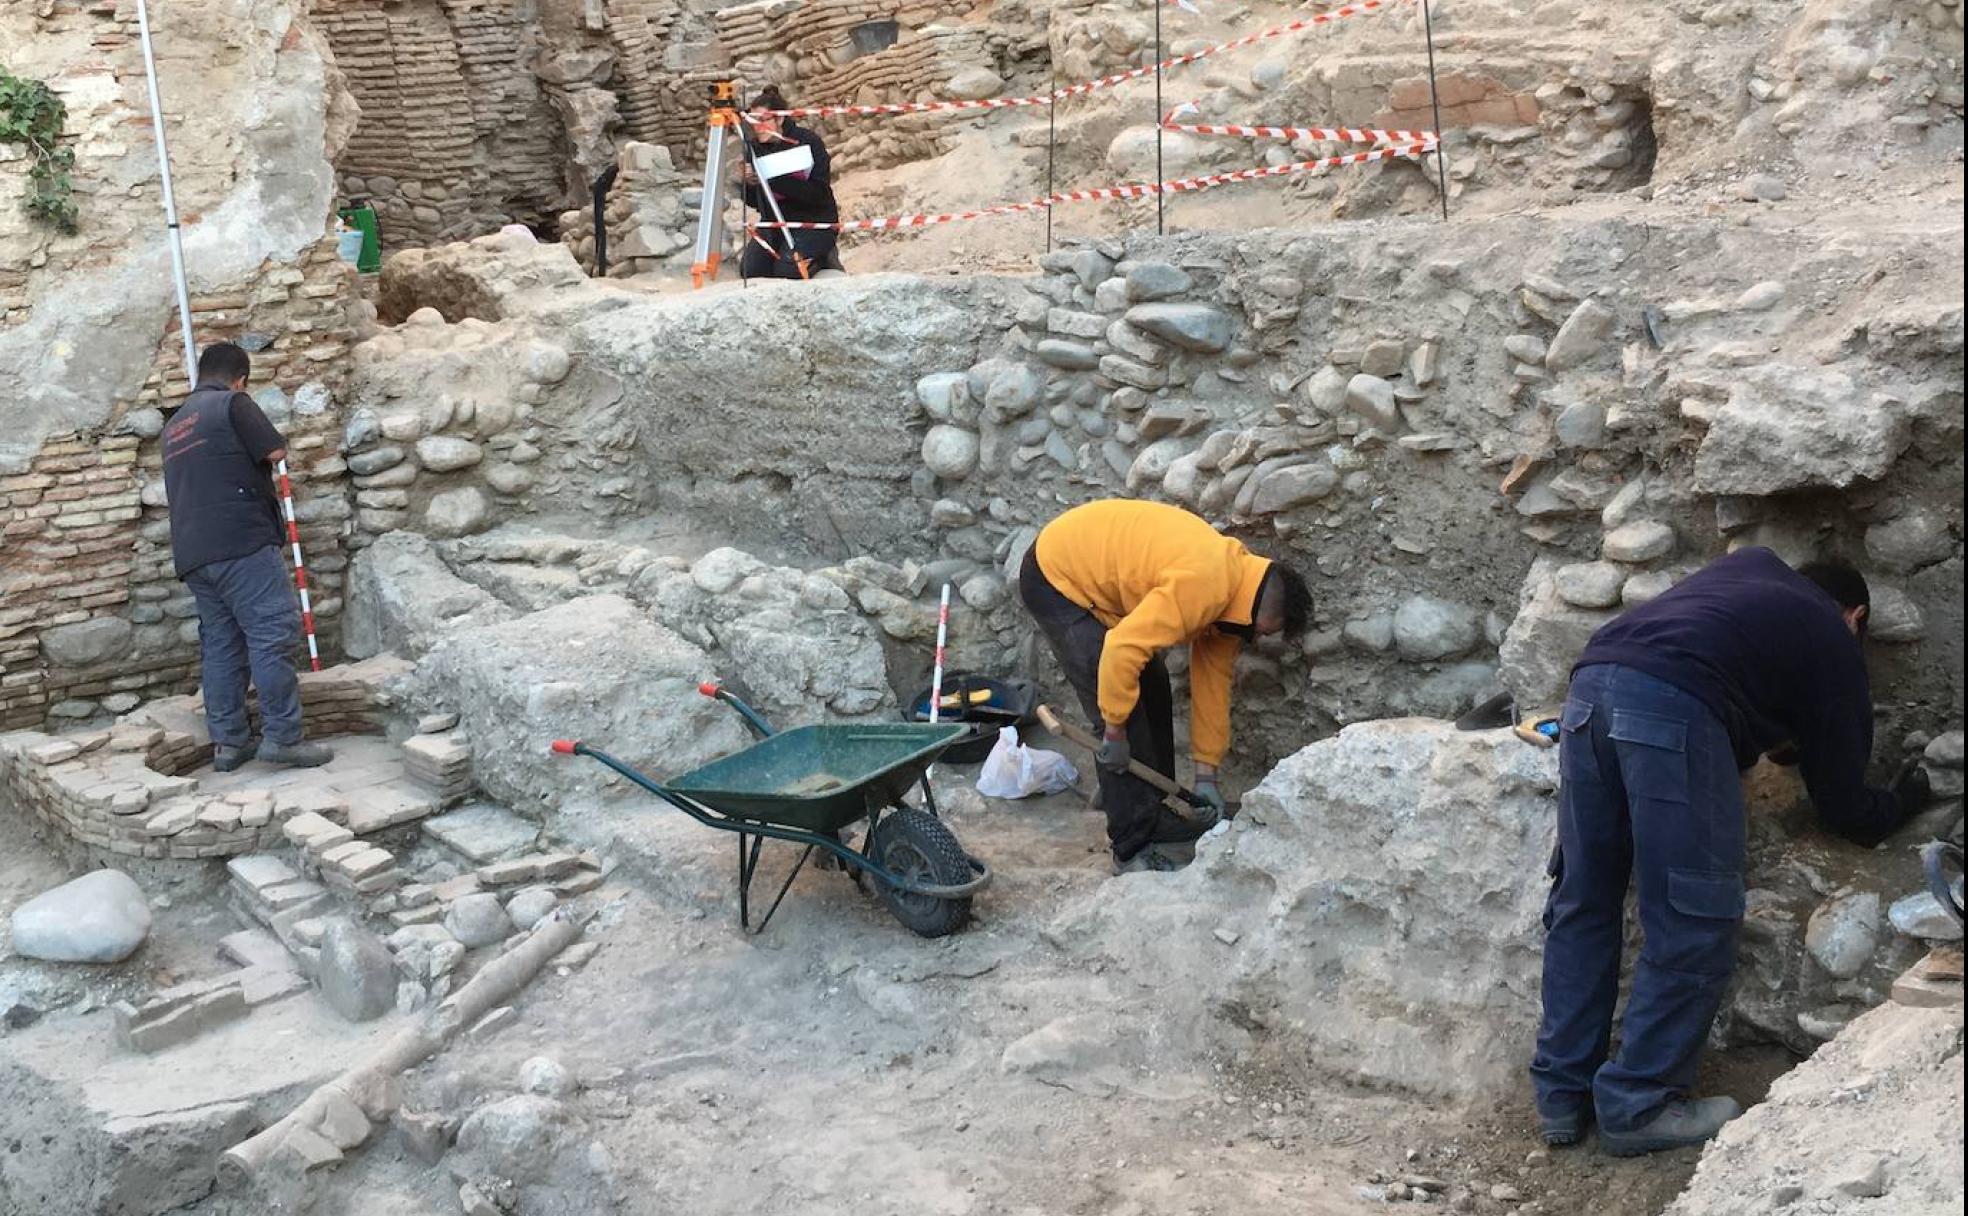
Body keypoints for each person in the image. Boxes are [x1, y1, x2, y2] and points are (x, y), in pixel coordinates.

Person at [1530, 547, 1931, 1157]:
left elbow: (1730, 682)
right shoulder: (1831, 635)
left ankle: (1561, 1095)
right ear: (1856, 615)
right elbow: (1848, 810)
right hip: (1670, 712)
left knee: (1585, 896)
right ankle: (1639, 1105)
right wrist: (1906, 798)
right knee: (1694, 912)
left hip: (1591, 688)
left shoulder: (1744, 576)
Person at [1018, 499, 1312, 873]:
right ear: (1260, 609)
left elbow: (1212, 688)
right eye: (1263, 630)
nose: (1257, 638)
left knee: (1154, 684)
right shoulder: (1205, 585)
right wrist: (1114, 731)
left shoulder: (1234, 599)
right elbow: (1122, 649)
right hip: (1056, 576)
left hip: (1091, 573)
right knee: (1122, 713)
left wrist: (1207, 776)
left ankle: (1151, 806)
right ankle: (1131, 845)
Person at [161, 343, 332, 773]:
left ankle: (230, 744)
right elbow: (274, 452)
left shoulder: (176, 424)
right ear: (241, 377)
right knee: (271, 631)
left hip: (194, 553)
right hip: (240, 541)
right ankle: (283, 738)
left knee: (221, 644)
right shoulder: (233, 403)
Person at [738, 86, 843, 281]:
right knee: (750, 270)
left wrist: (773, 179)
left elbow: (818, 194)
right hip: (774, 223)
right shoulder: (754, 148)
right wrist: (750, 183)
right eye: (754, 121)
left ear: (779, 118)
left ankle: (822, 259)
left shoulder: (807, 142)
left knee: (787, 271)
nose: (758, 127)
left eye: (763, 120)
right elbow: (754, 202)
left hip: (814, 221)